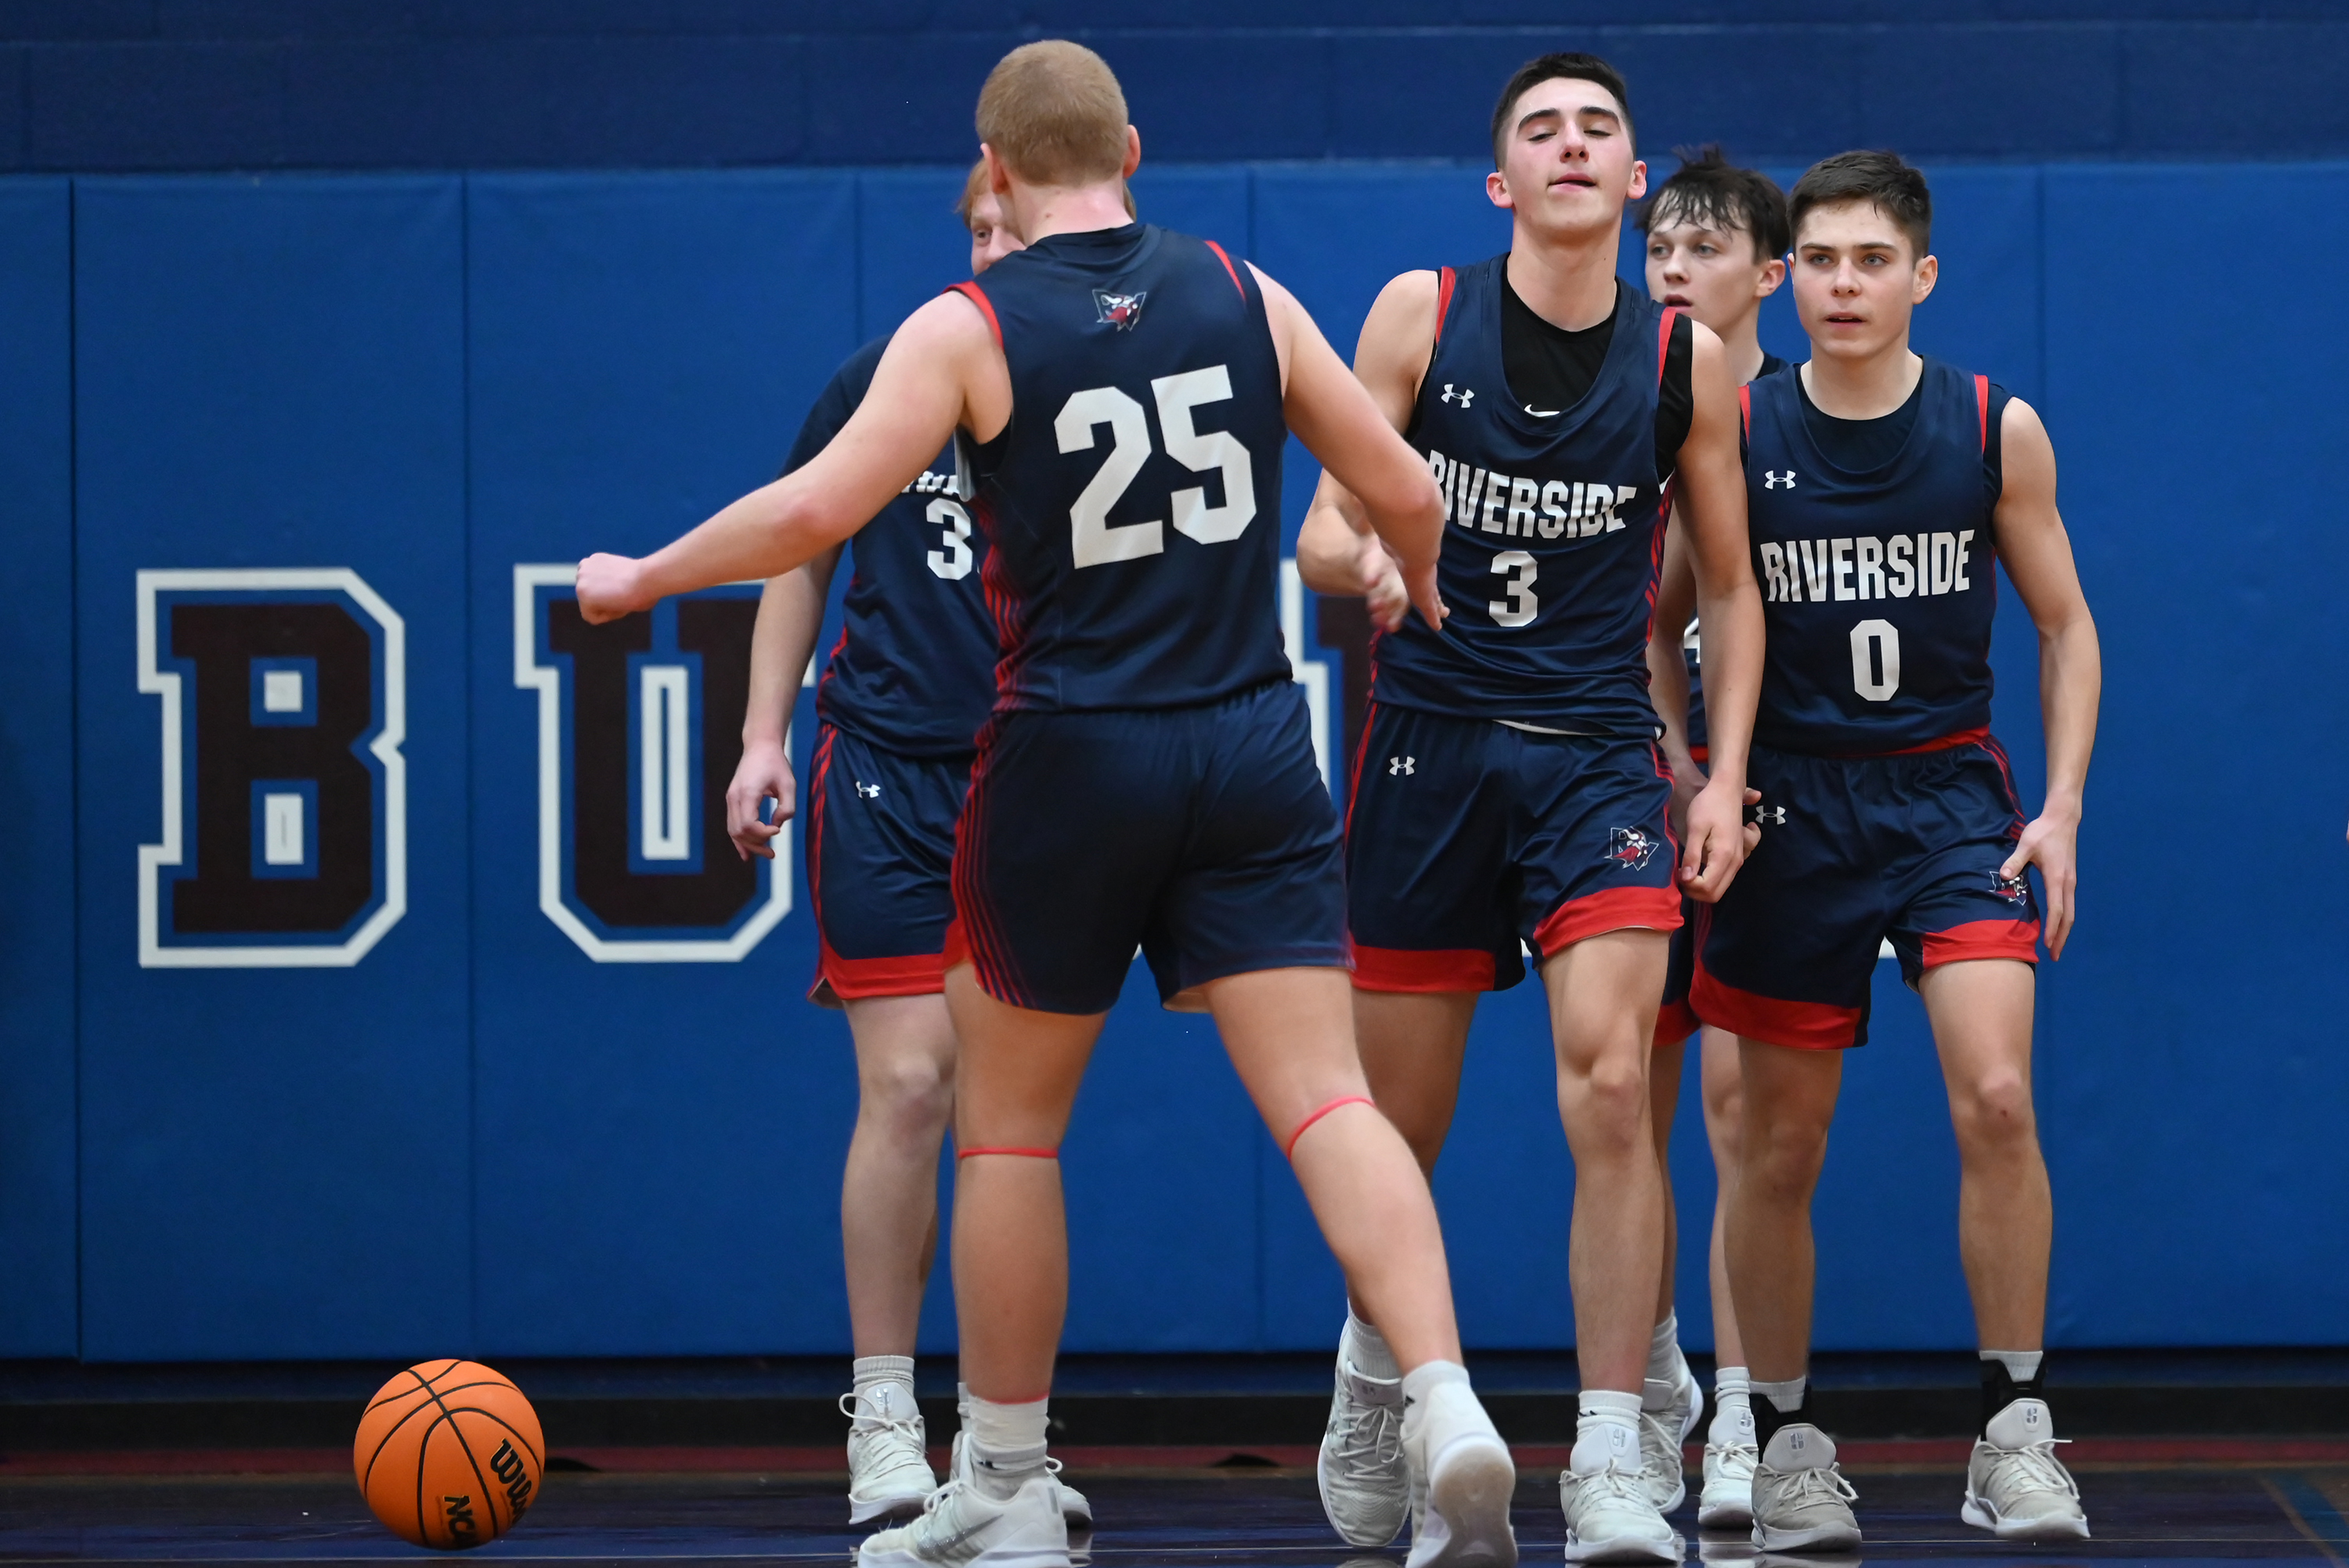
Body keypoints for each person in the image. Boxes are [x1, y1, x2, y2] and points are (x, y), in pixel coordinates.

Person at [578, 41, 1520, 1568]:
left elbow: (813, 510)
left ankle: (1006, 1485)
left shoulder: (968, 326)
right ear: (1133, 148)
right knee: (1330, 1102)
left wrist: (642, 577)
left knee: (1009, 1136)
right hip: (1249, 743)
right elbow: (1408, 491)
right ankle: (1448, 1402)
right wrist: (1413, 580)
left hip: (1069, 754)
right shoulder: (1246, 291)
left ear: (997, 170)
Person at [1295, 53, 1764, 1566]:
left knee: (1614, 1088)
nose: (1572, 146)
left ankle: (1611, 1454)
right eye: (1542, 131)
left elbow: (1731, 587)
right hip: (1430, 748)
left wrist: (1723, 775)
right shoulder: (1420, 314)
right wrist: (1365, 558)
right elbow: (1320, 531)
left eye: (1598, 129)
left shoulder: (1686, 358)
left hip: (1595, 755)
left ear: (1635, 180)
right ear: (1502, 181)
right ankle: (1377, 1374)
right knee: (1399, 1128)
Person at [1690, 150, 2101, 1549]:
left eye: (1873, 261)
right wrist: (1696, 773)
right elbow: (1660, 621)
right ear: (1786, 277)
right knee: (1779, 1146)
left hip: (1947, 801)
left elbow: (2066, 624)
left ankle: (2015, 1432)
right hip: (1792, 810)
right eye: (1820, 260)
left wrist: (2061, 804)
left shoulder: (1990, 425)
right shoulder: (1733, 429)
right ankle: (1785, 1442)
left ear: (1921, 275)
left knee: (1999, 1093)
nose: (1845, 284)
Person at [724, 164, 1078, 1533]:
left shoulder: (1090, 388)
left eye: (1013, 227)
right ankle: (883, 1409)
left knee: (1007, 1119)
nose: (993, 247)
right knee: (911, 1084)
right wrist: (762, 735)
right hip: (882, 766)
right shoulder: (885, 378)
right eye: (977, 229)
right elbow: (800, 547)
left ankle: (1004, 1440)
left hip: (1031, 778)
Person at [1634, 145, 1791, 1532]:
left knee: (1743, 1111)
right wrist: (1688, 767)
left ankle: (1743, 1411)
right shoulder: (1631, 398)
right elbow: (1656, 627)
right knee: (1630, 1102)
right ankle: (1654, 1371)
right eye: (1660, 248)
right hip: (1651, 789)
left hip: (1780, 800)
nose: (1675, 268)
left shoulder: (1796, 414)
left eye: (1705, 248)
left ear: (1768, 275)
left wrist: (1733, 779)